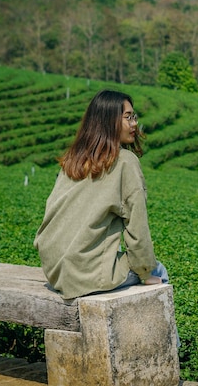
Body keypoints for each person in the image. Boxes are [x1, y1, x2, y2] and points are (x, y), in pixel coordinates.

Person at [34, 89, 169, 300]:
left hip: (55, 269)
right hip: (85, 274)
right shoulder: (125, 161)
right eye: (128, 117)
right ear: (108, 121)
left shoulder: (74, 159)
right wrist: (146, 272)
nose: (134, 124)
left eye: (134, 117)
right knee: (158, 271)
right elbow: (137, 228)